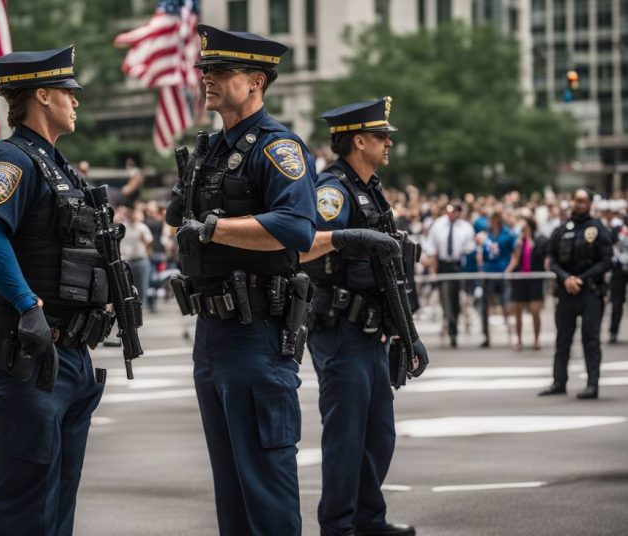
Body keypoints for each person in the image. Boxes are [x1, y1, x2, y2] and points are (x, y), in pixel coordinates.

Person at [165, 25, 317, 535]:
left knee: (265, 483)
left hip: (257, 331)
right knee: (230, 486)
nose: (207, 78)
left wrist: (214, 230)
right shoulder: (209, 150)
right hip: (213, 331)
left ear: (256, 80)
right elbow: (174, 218)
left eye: (221, 71)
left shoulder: (276, 147)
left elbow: (297, 228)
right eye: (205, 69)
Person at [0, 46, 107, 535]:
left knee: (57, 504)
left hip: (70, 353)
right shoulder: (11, 160)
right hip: (30, 354)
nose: (75, 102)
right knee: (24, 502)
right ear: (41, 95)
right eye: (68, 92)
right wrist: (27, 305)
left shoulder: (59, 167)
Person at [300, 99, 428, 536]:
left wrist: (407, 334)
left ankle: (369, 519)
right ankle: (338, 527)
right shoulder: (332, 190)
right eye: (381, 136)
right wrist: (344, 237)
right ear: (359, 140)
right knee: (346, 436)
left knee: (379, 435)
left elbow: (389, 273)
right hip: (340, 328)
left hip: (372, 329)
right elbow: (304, 244)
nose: (388, 142)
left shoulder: (370, 189)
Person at [539, 189, 612, 400]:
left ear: (590, 204)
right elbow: (551, 259)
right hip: (566, 292)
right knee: (563, 339)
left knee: (591, 340)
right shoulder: (562, 230)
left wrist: (582, 278)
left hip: (590, 292)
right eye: (576, 200)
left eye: (583, 201)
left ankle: (592, 384)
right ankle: (559, 381)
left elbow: (606, 261)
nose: (578, 204)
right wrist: (566, 279)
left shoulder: (598, 230)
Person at [424, 203, 476, 347]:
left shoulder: (465, 227)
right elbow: (431, 246)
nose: (451, 215)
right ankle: (451, 327)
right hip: (443, 265)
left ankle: (453, 324)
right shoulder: (438, 225)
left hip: (459, 266)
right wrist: (433, 268)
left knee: (457, 300)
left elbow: (470, 246)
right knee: (446, 298)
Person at [505, 217, 548, 351]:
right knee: (517, 311)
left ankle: (536, 339)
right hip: (520, 279)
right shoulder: (517, 242)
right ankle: (519, 340)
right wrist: (507, 272)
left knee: (535, 310)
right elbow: (515, 258)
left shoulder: (538, 240)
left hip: (535, 279)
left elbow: (544, 257)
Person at [479, 210, 516, 347]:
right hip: (489, 274)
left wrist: (509, 270)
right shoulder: (487, 236)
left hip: (502, 273)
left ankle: (510, 335)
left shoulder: (508, 235)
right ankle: (486, 336)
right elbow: (483, 255)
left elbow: (515, 253)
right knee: (486, 306)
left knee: (506, 305)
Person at [608, 213, 627, 343]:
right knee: (617, 303)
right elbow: (610, 243)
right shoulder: (618, 229)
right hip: (619, 269)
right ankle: (613, 332)